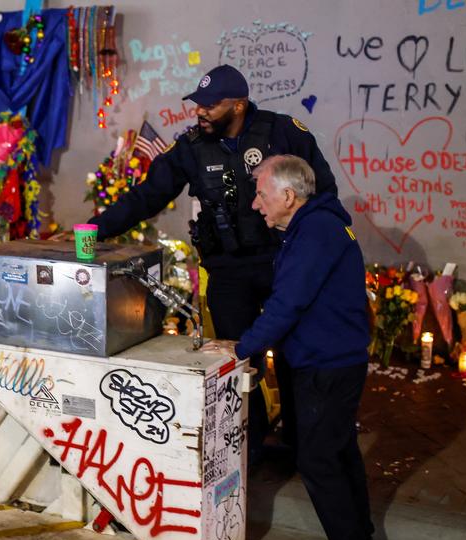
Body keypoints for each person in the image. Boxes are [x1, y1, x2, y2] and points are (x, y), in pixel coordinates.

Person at [88, 64, 338, 457]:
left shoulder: (283, 132)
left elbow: (323, 192)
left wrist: (320, 254)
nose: (200, 112)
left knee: (295, 357)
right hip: (228, 272)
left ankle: (301, 445)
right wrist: (94, 229)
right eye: (197, 104)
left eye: (210, 105)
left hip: (283, 265)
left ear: (238, 105)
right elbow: (147, 196)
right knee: (237, 361)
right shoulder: (190, 147)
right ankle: (247, 450)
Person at [233, 155, 376, 540]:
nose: (257, 204)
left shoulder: (313, 232)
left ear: (288, 196)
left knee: (318, 458)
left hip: (327, 363)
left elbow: (287, 304)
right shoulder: (315, 225)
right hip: (331, 356)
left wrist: (240, 348)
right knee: (339, 452)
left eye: (261, 194)